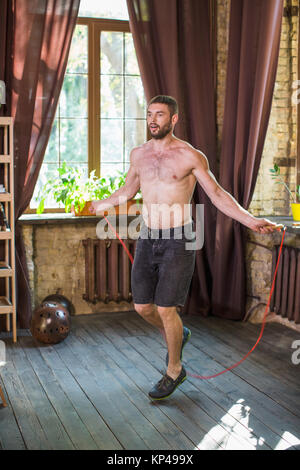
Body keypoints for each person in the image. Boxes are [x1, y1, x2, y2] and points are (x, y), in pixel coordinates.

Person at [90, 95, 280, 400]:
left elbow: (218, 195)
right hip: (148, 236)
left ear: (174, 119)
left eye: (160, 115)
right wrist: (103, 203)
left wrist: (250, 220)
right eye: (150, 114)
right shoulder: (138, 154)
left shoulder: (190, 156)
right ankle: (179, 333)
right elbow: (128, 189)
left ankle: (174, 370)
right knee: (142, 306)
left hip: (180, 237)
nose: (153, 120)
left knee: (166, 308)